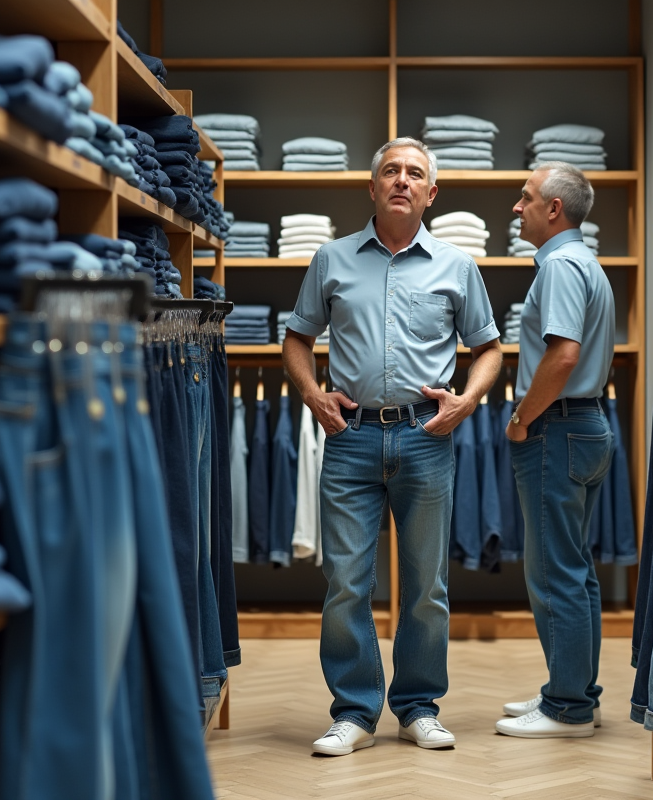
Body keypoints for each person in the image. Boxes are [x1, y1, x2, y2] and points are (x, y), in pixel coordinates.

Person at [282, 137, 502, 756]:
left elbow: (489, 349)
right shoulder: (331, 259)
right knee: (346, 582)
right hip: (350, 438)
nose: (401, 180)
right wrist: (311, 394)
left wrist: (467, 400)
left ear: (431, 193)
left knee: (427, 583)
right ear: (372, 187)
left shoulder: (457, 266)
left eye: (414, 174)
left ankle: (417, 706)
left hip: (425, 437)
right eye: (390, 171)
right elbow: (296, 338)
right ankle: (353, 711)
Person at [495, 162, 615, 739]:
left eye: (525, 198)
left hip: (557, 429)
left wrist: (521, 418)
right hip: (586, 425)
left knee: (553, 574)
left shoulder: (561, 267)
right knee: (576, 570)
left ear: (554, 209)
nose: (516, 208)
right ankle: (575, 693)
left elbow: (562, 357)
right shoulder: (584, 262)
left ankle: (566, 707)